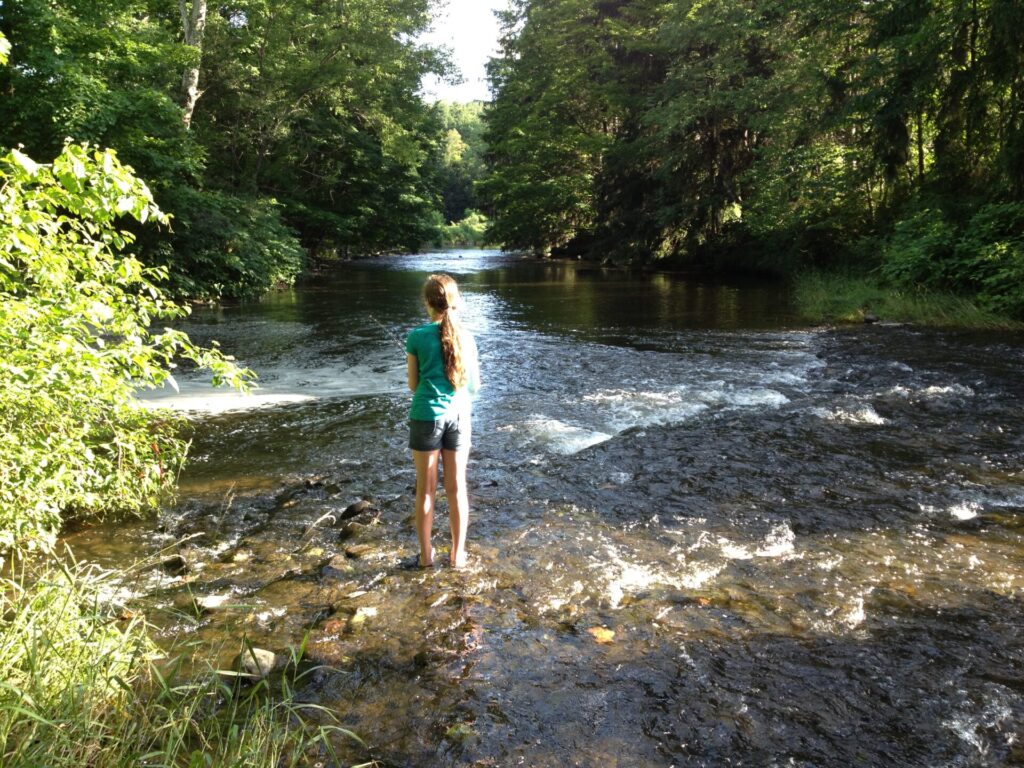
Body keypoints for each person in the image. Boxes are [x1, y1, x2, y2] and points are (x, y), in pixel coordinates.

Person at [406, 274, 480, 568]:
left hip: (426, 416)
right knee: (457, 488)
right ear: (454, 301)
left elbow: (413, 385)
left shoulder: (416, 337)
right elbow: (474, 386)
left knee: (425, 489)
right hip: (459, 416)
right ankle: (457, 555)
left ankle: (426, 557)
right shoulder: (467, 337)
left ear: (427, 303)